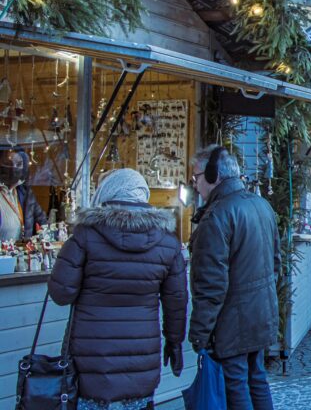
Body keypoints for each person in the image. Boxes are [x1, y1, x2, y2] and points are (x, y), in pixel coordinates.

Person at [48, 169, 187, 409]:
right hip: (141, 357)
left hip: (91, 360)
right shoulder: (167, 242)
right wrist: (174, 341)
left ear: (108, 194)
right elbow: (176, 302)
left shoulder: (85, 236)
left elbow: (62, 294)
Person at [189, 146, 279, 410]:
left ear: (212, 175)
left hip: (233, 319)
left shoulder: (216, 216)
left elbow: (210, 286)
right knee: (257, 379)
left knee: (235, 384)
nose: (195, 186)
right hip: (261, 313)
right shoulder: (261, 205)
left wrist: (200, 333)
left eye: (195, 178)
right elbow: (276, 263)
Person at [0, 149, 47, 241]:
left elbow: (42, 221)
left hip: (21, 252)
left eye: (18, 164)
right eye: (8, 163)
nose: (13, 168)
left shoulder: (25, 193)